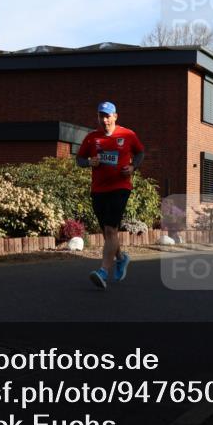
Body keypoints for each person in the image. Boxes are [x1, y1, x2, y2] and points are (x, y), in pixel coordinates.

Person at [77, 101, 145, 289]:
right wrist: (90, 162)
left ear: (115, 116)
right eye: (101, 116)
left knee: (110, 229)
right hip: (98, 190)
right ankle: (122, 259)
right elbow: (79, 159)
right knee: (109, 233)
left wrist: (132, 167)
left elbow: (140, 153)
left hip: (121, 187)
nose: (104, 120)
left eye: (108, 116)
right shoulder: (92, 138)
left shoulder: (128, 134)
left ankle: (103, 271)